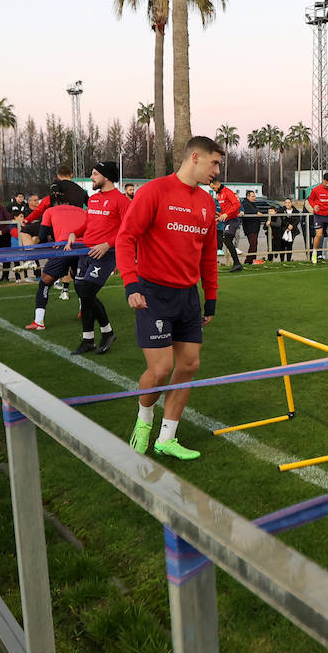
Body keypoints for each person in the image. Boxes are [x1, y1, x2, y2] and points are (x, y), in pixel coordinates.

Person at [116, 135, 223, 461]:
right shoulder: (154, 192)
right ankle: (144, 420)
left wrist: (211, 298)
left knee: (189, 364)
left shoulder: (206, 202)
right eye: (214, 163)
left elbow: (208, 255)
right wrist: (131, 285)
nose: (216, 171)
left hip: (188, 297)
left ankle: (167, 437)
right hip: (153, 295)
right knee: (160, 370)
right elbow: (125, 239)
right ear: (195, 157)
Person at [72, 161, 129, 355]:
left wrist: (108, 244)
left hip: (105, 254)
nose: (91, 177)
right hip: (85, 253)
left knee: (87, 292)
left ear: (106, 176)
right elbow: (88, 223)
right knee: (82, 293)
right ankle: (88, 339)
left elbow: (128, 230)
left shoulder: (121, 200)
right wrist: (74, 233)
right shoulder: (94, 199)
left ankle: (107, 332)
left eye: (95, 174)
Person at [24, 182, 87, 330]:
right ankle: (84, 311)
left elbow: (42, 234)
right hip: (83, 249)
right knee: (80, 282)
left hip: (63, 248)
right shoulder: (83, 211)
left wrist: (51, 240)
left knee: (45, 282)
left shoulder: (50, 211)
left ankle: (39, 321)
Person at [212, 179, 242, 271]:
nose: (212, 189)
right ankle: (237, 263)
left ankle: (237, 263)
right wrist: (220, 218)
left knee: (227, 240)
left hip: (233, 220)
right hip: (227, 221)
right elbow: (225, 210)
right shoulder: (220, 195)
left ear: (218, 184)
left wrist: (226, 214)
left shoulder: (227, 192)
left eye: (213, 187)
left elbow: (237, 205)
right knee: (226, 240)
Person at [240, 190, 265, 265]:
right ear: (248, 197)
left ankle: (253, 260)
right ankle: (248, 260)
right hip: (250, 228)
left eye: (254, 196)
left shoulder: (253, 204)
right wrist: (256, 213)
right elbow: (250, 211)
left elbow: (257, 211)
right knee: (253, 244)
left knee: (254, 244)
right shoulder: (245, 203)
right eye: (252, 196)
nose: (254, 197)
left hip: (255, 227)